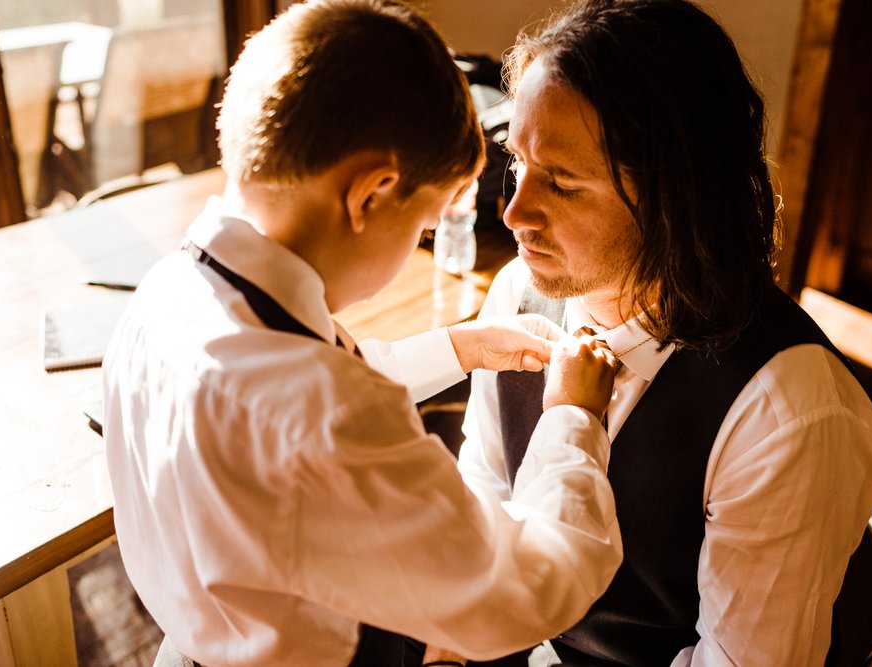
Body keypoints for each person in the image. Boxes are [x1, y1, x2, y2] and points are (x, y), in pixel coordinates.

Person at [102, 1, 625, 665]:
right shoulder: (321, 413)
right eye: (425, 226)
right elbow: (525, 590)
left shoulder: (165, 297)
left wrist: (459, 347)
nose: (418, 245)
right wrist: (574, 417)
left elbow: (283, 407)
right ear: (370, 194)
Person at [417, 0, 872, 665]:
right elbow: (485, 501)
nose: (516, 211)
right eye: (518, 165)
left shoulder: (788, 411)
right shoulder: (517, 296)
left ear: (675, 198)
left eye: (565, 184)